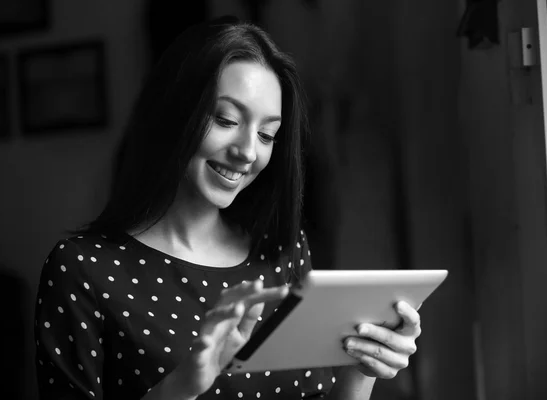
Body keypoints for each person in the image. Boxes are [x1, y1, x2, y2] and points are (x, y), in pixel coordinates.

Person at [34, 16, 422, 400]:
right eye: (226, 119)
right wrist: (182, 385)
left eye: (267, 134)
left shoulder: (283, 249)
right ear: (174, 111)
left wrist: (362, 368)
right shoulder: (82, 269)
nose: (247, 152)